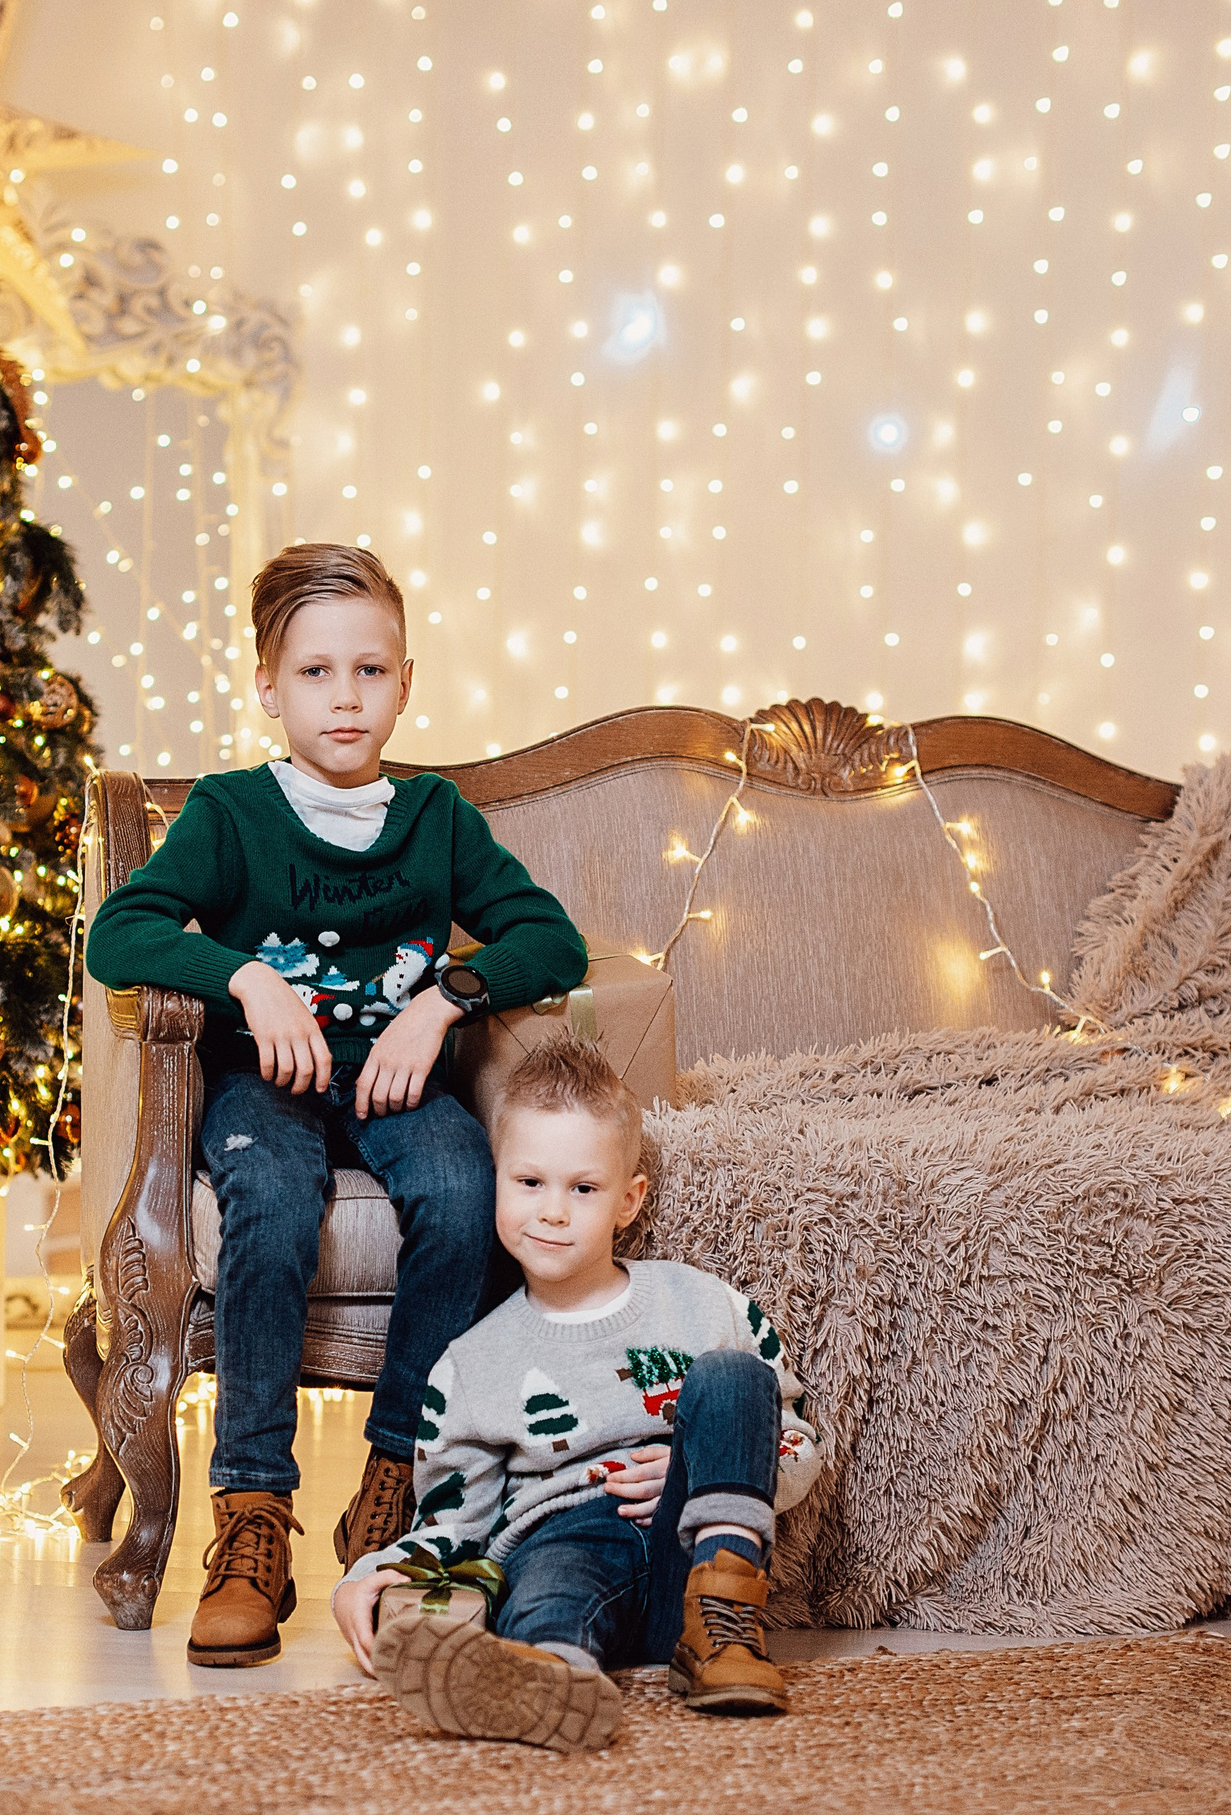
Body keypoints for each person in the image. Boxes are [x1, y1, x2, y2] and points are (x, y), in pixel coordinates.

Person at [85, 542, 587, 1668]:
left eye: (370, 670)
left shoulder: (437, 819)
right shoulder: (229, 812)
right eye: (314, 673)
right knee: (266, 1194)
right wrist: (247, 978)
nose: (344, 697)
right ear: (268, 687)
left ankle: (394, 1489)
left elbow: (548, 938)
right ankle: (251, 1517)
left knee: (463, 1190)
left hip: (397, 1080)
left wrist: (445, 1000)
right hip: (266, 1084)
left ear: (406, 681)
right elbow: (124, 931)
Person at [331, 1034, 823, 1750]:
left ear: (628, 1200)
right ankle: (546, 1673)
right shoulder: (470, 1365)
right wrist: (370, 1574)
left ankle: (723, 1635)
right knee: (547, 1586)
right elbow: (454, 1521)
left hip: (696, 1547)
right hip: (561, 1536)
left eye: (582, 1188)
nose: (553, 1211)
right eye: (529, 1182)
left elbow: (796, 1435)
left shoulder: (703, 1305)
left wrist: (703, 1464)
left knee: (733, 1374)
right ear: (496, 1178)